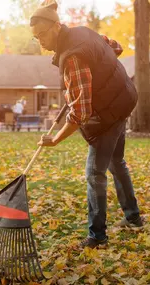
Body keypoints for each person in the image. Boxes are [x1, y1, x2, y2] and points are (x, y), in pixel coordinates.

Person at [31, 0, 144, 249]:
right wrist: (101, 61)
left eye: (42, 35)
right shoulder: (84, 32)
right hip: (125, 98)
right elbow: (116, 46)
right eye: (35, 37)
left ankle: (97, 236)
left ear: (57, 26)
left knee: (95, 173)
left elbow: (81, 112)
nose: (39, 42)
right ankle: (134, 217)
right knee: (116, 161)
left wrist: (56, 139)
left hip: (111, 111)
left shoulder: (73, 58)